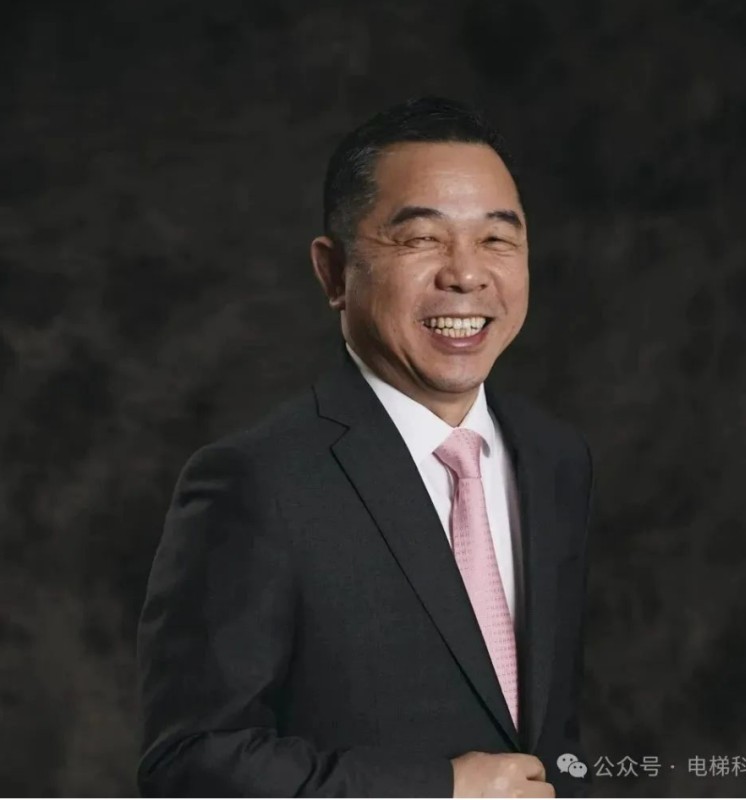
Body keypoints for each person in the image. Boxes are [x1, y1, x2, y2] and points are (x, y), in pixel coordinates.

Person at [137, 96, 594, 798]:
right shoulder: (256, 482)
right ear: (333, 272)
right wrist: (439, 789)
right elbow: (189, 763)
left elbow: (546, 740)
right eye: (422, 239)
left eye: (497, 239)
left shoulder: (556, 460)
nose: (466, 274)